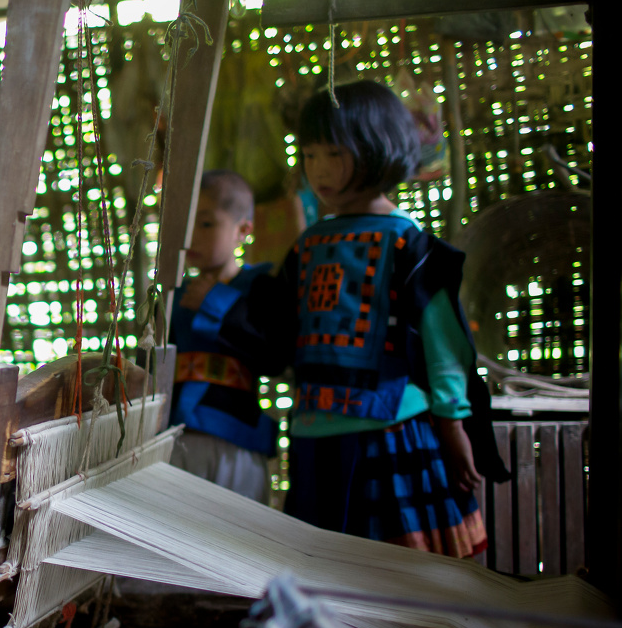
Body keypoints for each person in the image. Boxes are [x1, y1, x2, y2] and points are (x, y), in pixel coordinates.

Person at [218, 79, 504, 557]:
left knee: (402, 578)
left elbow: (443, 346)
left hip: (391, 433)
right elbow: (280, 334)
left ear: (376, 149)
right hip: (313, 436)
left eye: (333, 154)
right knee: (325, 574)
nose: (319, 171)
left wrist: (452, 426)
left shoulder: (411, 247)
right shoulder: (307, 247)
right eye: (309, 156)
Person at [168, 170, 277, 504]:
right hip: (174, 439)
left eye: (205, 224)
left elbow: (274, 356)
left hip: (235, 441)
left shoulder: (261, 287)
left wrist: (216, 303)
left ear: (242, 230)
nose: (191, 236)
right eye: (185, 224)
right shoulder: (173, 295)